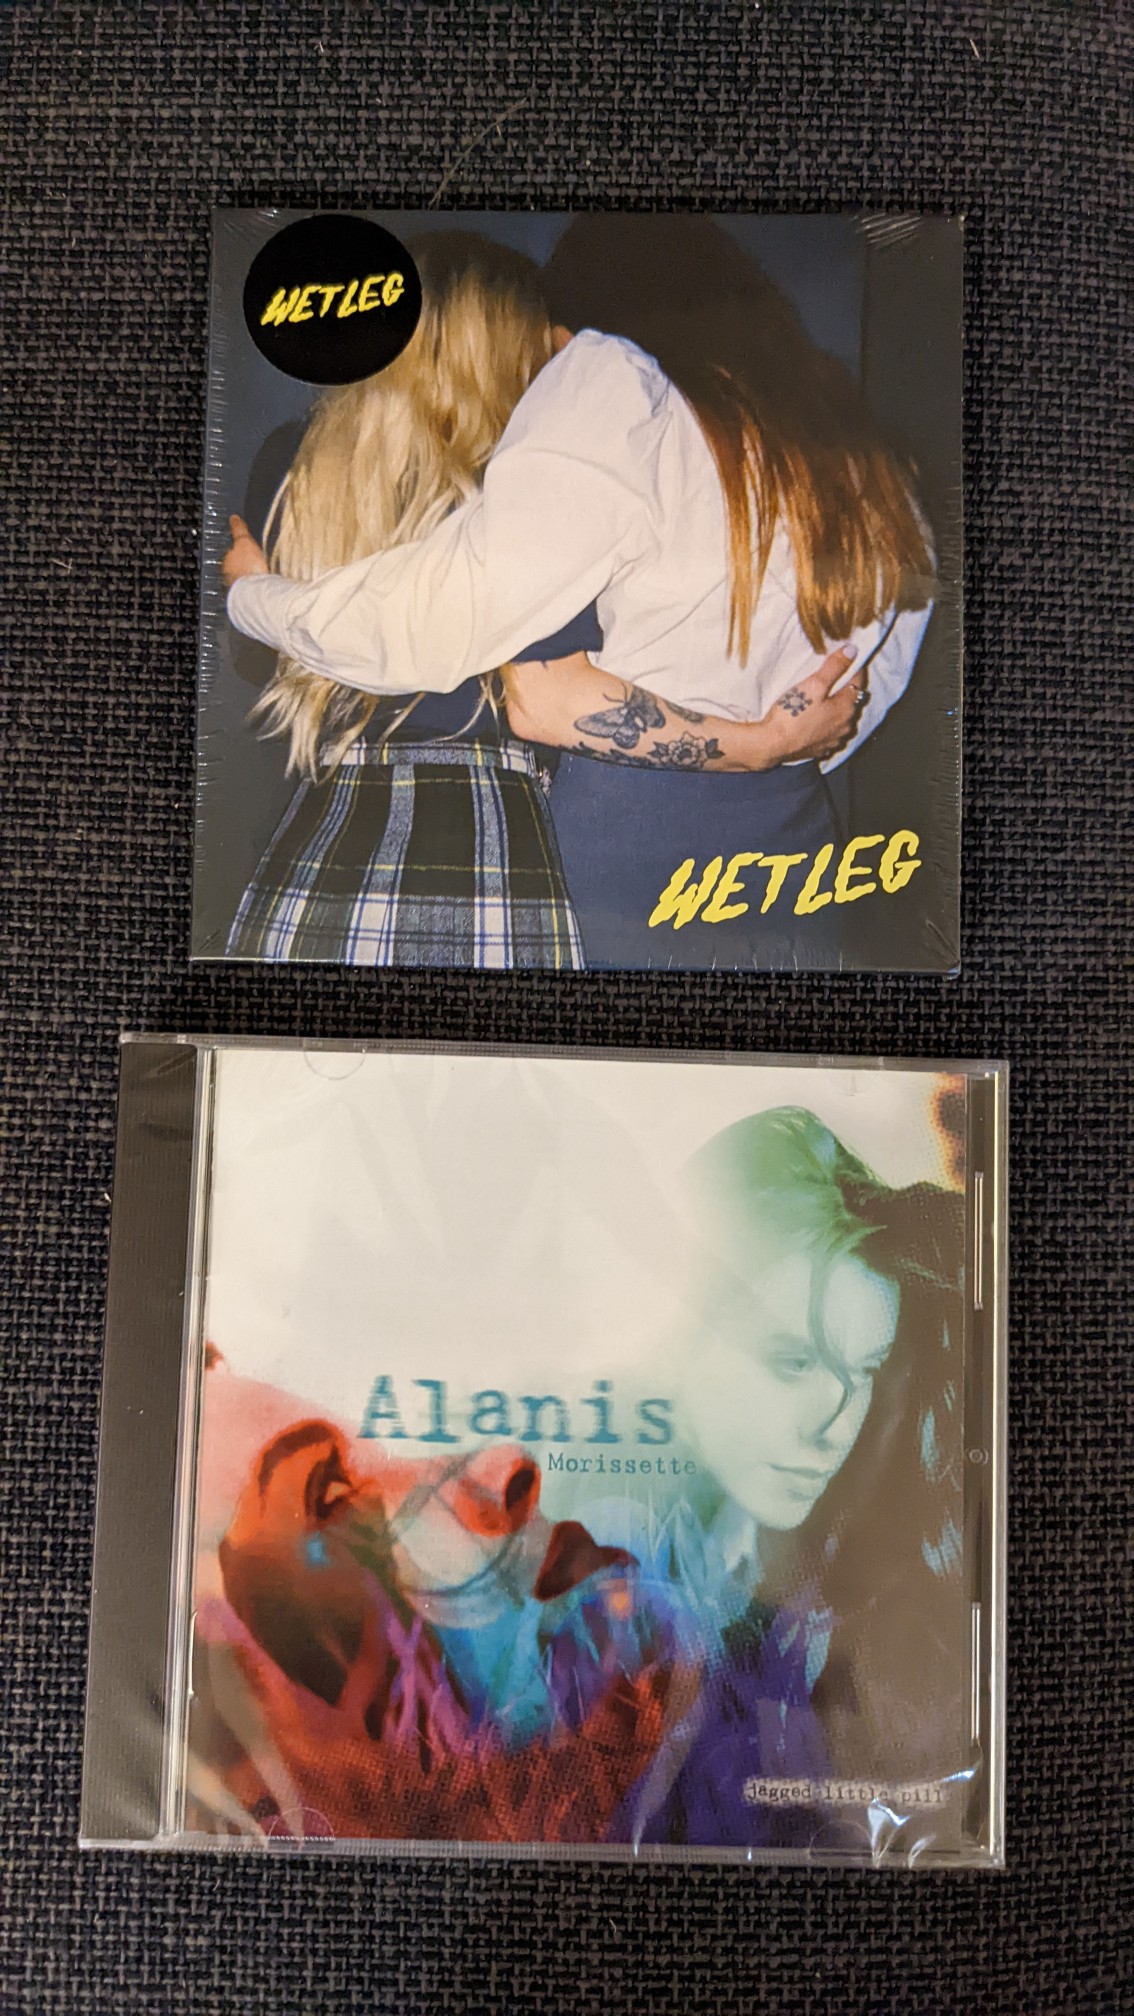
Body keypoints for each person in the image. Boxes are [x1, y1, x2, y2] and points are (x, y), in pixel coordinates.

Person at [225, 218, 932, 967]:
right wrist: (781, 746)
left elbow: (532, 691)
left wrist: (255, 596)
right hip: (789, 831)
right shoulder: (861, 451)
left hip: (600, 829)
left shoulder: (602, 400)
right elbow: (876, 674)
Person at [631, 1104, 965, 1850]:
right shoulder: (573, 1581)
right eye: (793, 1362)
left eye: (866, 1370)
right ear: (678, 1338)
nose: (834, 1424)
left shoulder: (848, 1610)